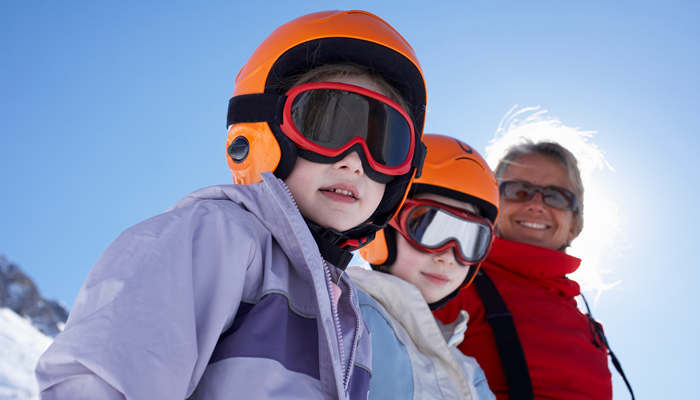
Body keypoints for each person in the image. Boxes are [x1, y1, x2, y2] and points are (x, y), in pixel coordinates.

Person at [35, 10, 428, 399]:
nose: (354, 161)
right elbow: (101, 379)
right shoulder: (214, 237)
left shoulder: (351, 319)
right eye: (328, 126)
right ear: (263, 131)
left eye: (384, 144)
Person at [434, 141, 614, 399]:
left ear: (575, 223)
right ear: (492, 205)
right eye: (518, 191)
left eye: (555, 196)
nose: (537, 205)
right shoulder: (452, 282)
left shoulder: (590, 328)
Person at [349, 134, 498, 399]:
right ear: (384, 224)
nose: (448, 256)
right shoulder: (345, 314)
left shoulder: (468, 371)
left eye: (471, 240)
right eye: (429, 227)